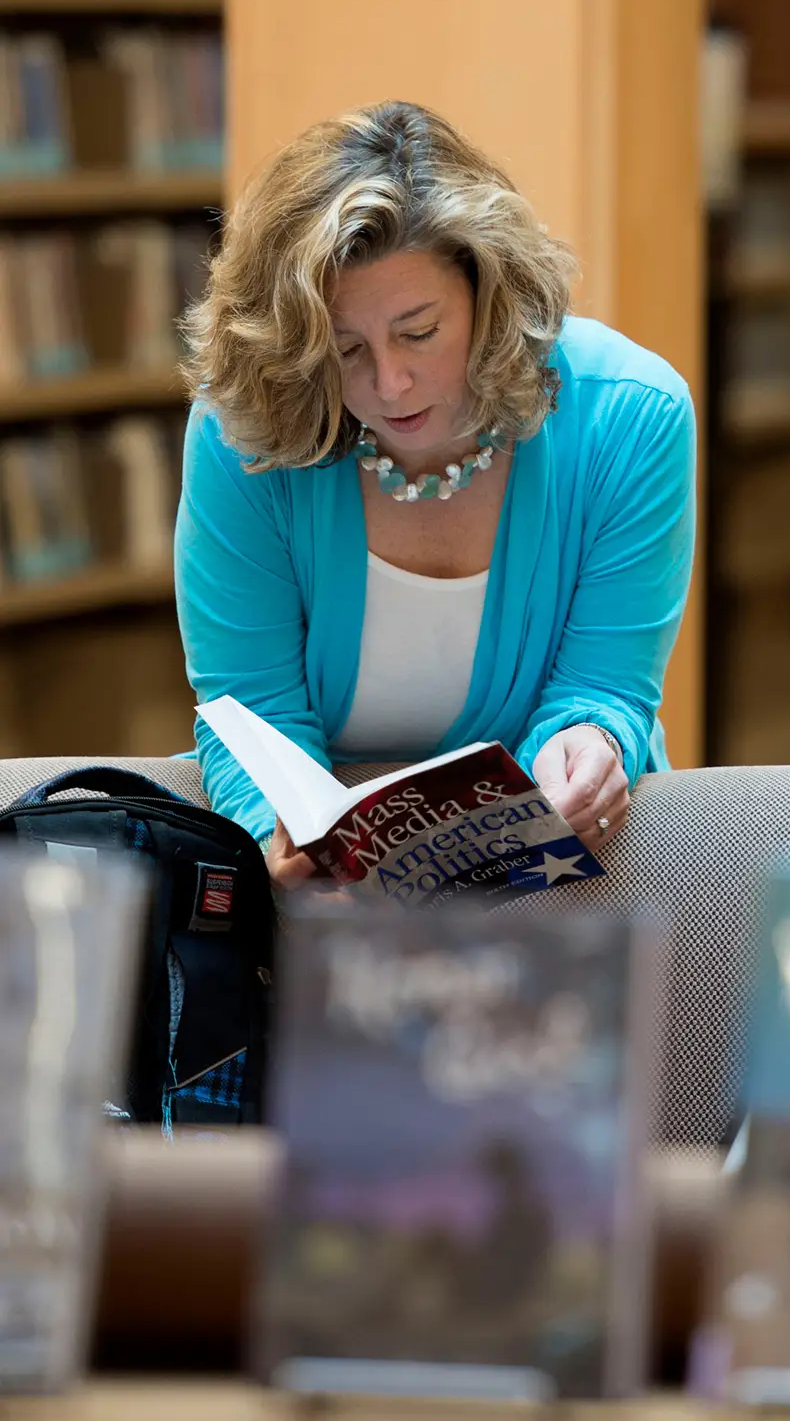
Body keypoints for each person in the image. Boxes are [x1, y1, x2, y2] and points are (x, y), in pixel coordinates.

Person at [176, 100, 695, 886]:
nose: (390, 383)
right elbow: (249, 709)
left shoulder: (631, 416)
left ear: (490, 296)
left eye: (419, 332)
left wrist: (590, 742)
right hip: (318, 890)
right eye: (344, 350)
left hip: (554, 878)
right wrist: (275, 847)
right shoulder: (242, 431)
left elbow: (603, 686)